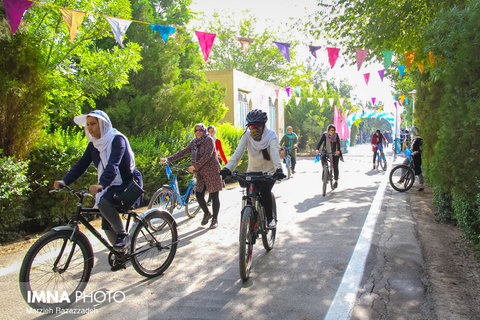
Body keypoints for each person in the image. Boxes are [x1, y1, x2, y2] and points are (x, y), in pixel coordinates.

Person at [53, 110, 143, 251]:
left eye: (93, 124)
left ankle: (122, 234)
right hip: (111, 185)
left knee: (104, 202)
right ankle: (121, 253)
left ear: (103, 124)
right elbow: (81, 165)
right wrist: (65, 181)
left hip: (128, 183)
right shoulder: (94, 145)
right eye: (88, 124)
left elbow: (113, 164)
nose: (90, 128)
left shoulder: (117, 140)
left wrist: (102, 184)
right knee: (106, 222)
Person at [219, 109, 285, 228]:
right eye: (250, 126)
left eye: (257, 125)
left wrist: (278, 170)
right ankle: (249, 224)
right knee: (249, 196)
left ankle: (270, 219)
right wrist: (227, 168)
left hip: (268, 173)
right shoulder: (247, 136)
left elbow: (275, 153)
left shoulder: (271, 136)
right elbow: (238, 153)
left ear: (263, 125)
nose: (253, 128)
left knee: (265, 192)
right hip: (253, 172)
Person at [161, 123, 223, 229]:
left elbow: (207, 155)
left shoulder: (209, 140)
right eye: (196, 130)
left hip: (212, 171)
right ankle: (207, 213)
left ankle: (215, 219)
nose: (198, 132)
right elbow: (184, 151)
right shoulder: (194, 142)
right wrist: (168, 159)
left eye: (200, 130)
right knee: (199, 194)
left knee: (214, 196)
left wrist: (195, 166)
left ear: (204, 131)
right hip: (200, 172)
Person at [315, 124, 343, 189]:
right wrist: (317, 149)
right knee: (323, 158)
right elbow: (320, 143)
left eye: (333, 130)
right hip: (326, 151)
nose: (332, 132)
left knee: (335, 166)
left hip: (334, 152)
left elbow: (338, 144)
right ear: (328, 131)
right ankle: (325, 172)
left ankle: (336, 181)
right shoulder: (325, 135)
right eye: (331, 130)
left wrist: (338, 150)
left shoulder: (336, 136)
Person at [405, 126, 425, 191]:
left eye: (413, 131)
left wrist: (417, 151)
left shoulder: (420, 139)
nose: (412, 133)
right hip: (411, 155)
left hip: (417, 157)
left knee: (418, 170)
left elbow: (421, 149)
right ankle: (404, 178)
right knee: (405, 164)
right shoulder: (414, 138)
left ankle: (421, 185)